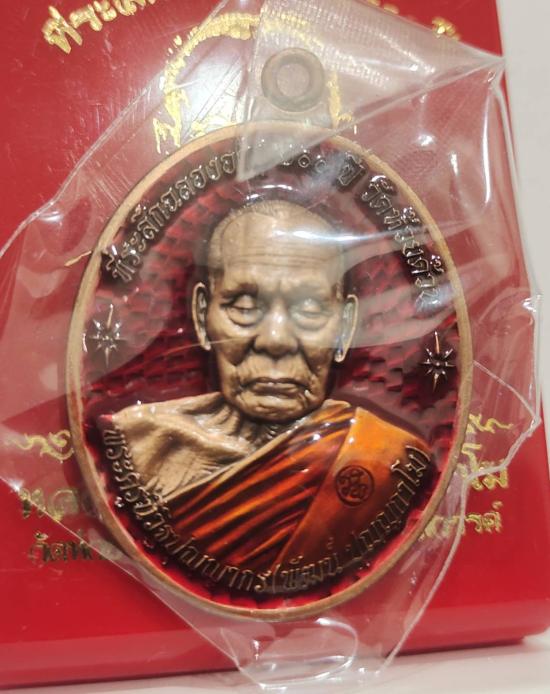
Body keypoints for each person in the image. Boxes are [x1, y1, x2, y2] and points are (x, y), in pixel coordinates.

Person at [107, 200, 431, 588]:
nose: (275, 340)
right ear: (202, 317)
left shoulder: (386, 459)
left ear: (346, 327)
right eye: (244, 306)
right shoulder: (141, 446)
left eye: (309, 308)